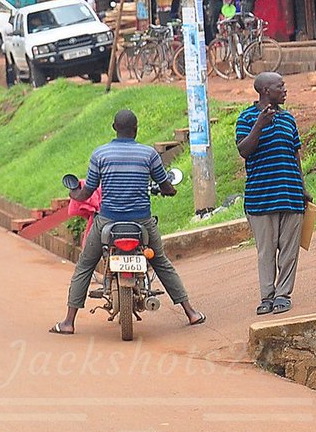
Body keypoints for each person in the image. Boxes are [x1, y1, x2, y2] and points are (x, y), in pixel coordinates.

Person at [49, 109, 205, 334]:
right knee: (160, 262)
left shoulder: (100, 154)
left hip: (107, 221)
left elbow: (88, 191)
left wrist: (74, 194)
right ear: (136, 129)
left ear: (114, 128)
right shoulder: (148, 154)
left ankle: (68, 322)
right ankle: (190, 312)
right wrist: (170, 190)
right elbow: (165, 185)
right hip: (141, 221)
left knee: (85, 265)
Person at [236, 72, 310, 315]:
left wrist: (303, 189)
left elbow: (295, 156)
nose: (285, 89)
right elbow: (244, 151)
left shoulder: (288, 119)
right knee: (266, 253)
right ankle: (266, 297)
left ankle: (283, 295)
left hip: (290, 195)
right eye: (281, 86)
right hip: (260, 199)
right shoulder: (246, 118)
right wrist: (259, 125)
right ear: (266, 91)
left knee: (289, 252)